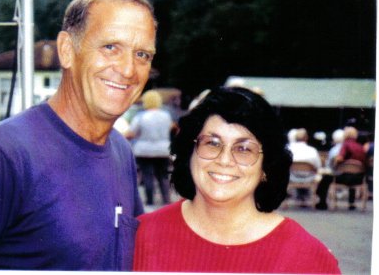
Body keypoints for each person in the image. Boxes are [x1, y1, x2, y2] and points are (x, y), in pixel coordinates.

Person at [0, 0, 157, 270]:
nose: (128, 69)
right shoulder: (1, 155)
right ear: (66, 50)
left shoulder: (120, 151)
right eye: (110, 47)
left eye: (142, 55)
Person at [133, 87, 341, 274]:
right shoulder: (139, 238)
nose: (224, 160)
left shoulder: (308, 259)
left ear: (266, 167)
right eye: (212, 143)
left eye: (244, 149)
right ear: (190, 153)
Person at [125, 90, 175, 206]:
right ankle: (166, 200)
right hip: (163, 150)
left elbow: (133, 132)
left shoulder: (141, 116)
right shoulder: (166, 115)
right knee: (163, 176)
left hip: (144, 151)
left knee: (148, 177)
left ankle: (150, 201)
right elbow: (170, 128)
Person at [316, 126, 368, 210]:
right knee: (352, 171)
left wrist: (336, 165)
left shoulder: (345, 145)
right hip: (359, 179)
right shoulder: (361, 147)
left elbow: (340, 158)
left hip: (345, 179)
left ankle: (322, 202)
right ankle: (351, 202)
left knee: (326, 178)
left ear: (345, 136)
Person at [288, 128, 322, 201]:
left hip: (292, 177)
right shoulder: (312, 151)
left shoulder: (288, 150)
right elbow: (318, 166)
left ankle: (300, 195)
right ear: (306, 138)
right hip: (309, 177)